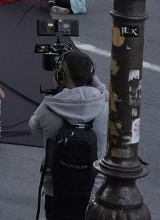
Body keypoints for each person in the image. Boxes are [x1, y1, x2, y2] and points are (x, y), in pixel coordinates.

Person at [30, 49, 107, 220]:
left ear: (60, 76)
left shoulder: (49, 106)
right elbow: (109, 96)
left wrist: (55, 92)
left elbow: (33, 127)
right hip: (93, 187)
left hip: (56, 187)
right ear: (91, 76)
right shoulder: (104, 106)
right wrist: (95, 81)